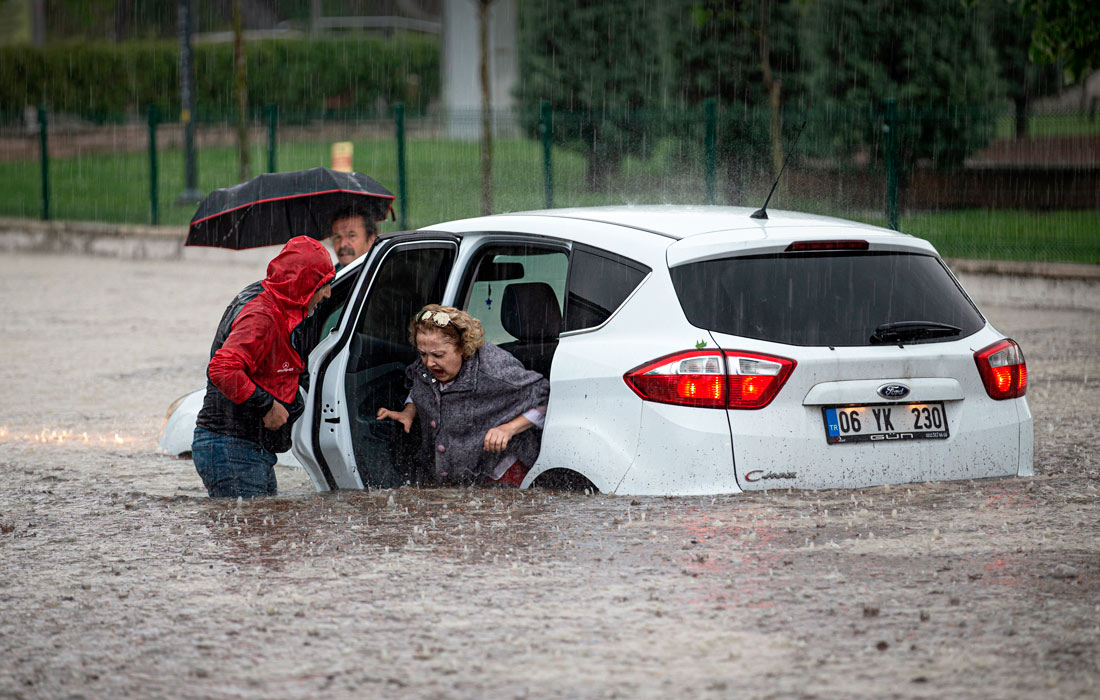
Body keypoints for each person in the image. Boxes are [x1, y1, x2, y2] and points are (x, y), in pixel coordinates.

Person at [192, 236, 335, 498]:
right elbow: (223, 369)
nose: (328, 293)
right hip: (231, 447)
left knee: (264, 533)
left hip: (245, 447)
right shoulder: (262, 315)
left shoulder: (275, 299)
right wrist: (266, 405)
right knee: (254, 535)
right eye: (323, 285)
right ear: (304, 285)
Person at [376, 305, 550, 487]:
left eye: (438, 355)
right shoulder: (424, 367)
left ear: (462, 347)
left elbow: (545, 397)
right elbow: (419, 385)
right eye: (423, 354)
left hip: (500, 472)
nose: (429, 363)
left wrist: (509, 429)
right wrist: (409, 411)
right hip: (453, 477)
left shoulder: (493, 369)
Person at [330, 205, 378, 271]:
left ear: (371, 240)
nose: (342, 244)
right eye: (338, 237)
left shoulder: (381, 275)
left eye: (351, 236)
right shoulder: (330, 278)